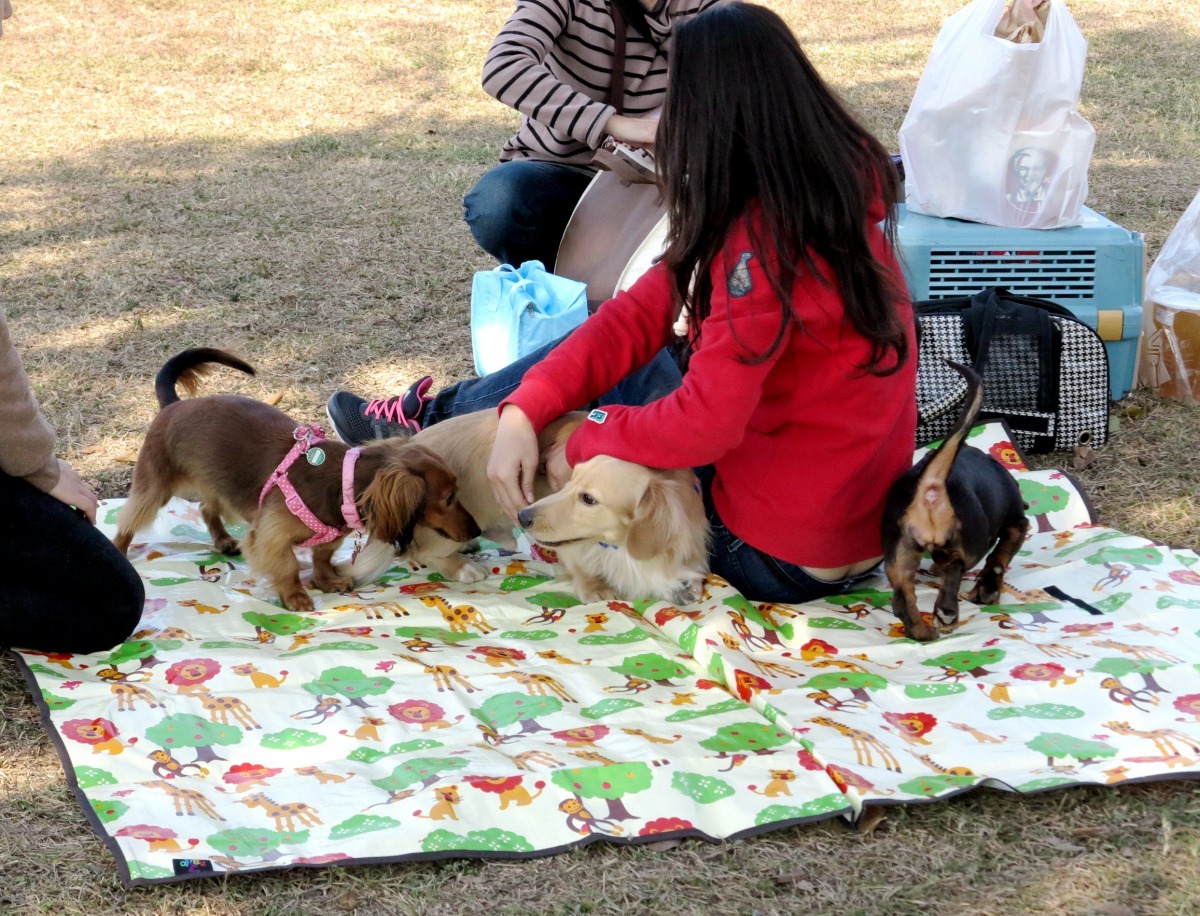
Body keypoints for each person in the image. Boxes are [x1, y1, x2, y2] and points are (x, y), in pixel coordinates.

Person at [330, 2, 917, 604]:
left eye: (675, 104)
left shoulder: (755, 250)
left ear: (710, 120)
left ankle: (437, 434)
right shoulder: (820, 196)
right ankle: (461, 425)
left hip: (780, 556)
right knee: (627, 362)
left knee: (609, 419)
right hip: (859, 527)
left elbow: (703, 425)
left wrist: (584, 443)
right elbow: (636, 318)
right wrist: (525, 409)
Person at [463, 0, 724, 269]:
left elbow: (748, 87)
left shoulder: (711, 5)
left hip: (667, 183)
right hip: (565, 169)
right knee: (499, 202)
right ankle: (556, 290)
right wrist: (611, 123)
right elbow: (503, 67)